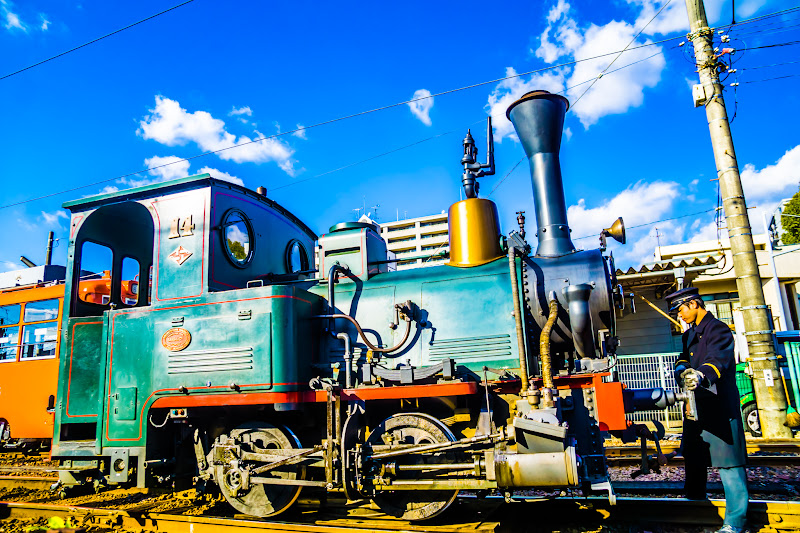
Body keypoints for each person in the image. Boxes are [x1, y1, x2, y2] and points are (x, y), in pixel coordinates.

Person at [666, 287, 749, 533]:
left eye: (681, 309)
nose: (680, 315)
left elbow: (718, 359)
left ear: (694, 304)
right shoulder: (689, 335)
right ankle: (695, 504)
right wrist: (682, 370)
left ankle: (735, 522)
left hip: (720, 408)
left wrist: (701, 374)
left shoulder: (718, 329)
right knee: (693, 456)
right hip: (696, 408)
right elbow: (683, 358)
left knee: (729, 464)